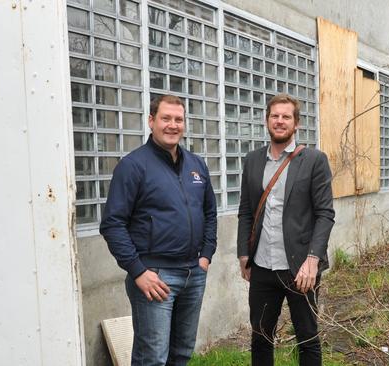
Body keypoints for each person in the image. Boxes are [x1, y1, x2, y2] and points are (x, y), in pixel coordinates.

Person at [100, 94, 217, 366]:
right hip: (155, 278)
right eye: (166, 118)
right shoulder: (133, 166)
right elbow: (112, 223)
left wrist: (206, 255)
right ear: (151, 121)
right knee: (151, 359)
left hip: (193, 274)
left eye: (178, 119)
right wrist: (138, 271)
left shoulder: (196, 165)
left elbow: (209, 213)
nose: (173, 125)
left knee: (182, 354)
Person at [237, 93, 335, 365]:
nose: (279, 121)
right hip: (262, 268)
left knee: (307, 337)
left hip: (300, 269)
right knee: (261, 337)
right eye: (274, 116)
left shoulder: (314, 160)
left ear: (296, 124)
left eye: (286, 117)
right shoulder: (253, 160)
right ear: (267, 121)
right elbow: (246, 210)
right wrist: (244, 255)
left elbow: (325, 214)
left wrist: (313, 260)